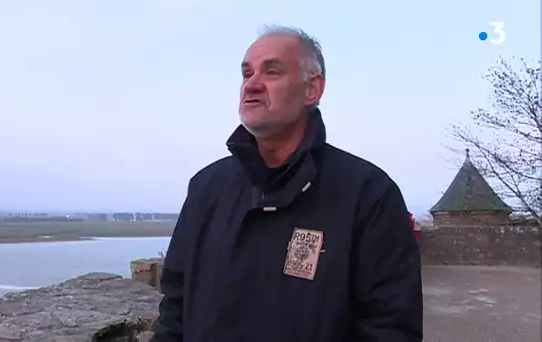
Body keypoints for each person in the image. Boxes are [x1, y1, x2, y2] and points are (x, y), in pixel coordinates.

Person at [151, 25, 423, 342]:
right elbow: (174, 308)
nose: (251, 85)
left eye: (272, 71)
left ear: (313, 89)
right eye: (246, 74)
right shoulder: (206, 188)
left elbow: (390, 328)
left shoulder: (368, 194)